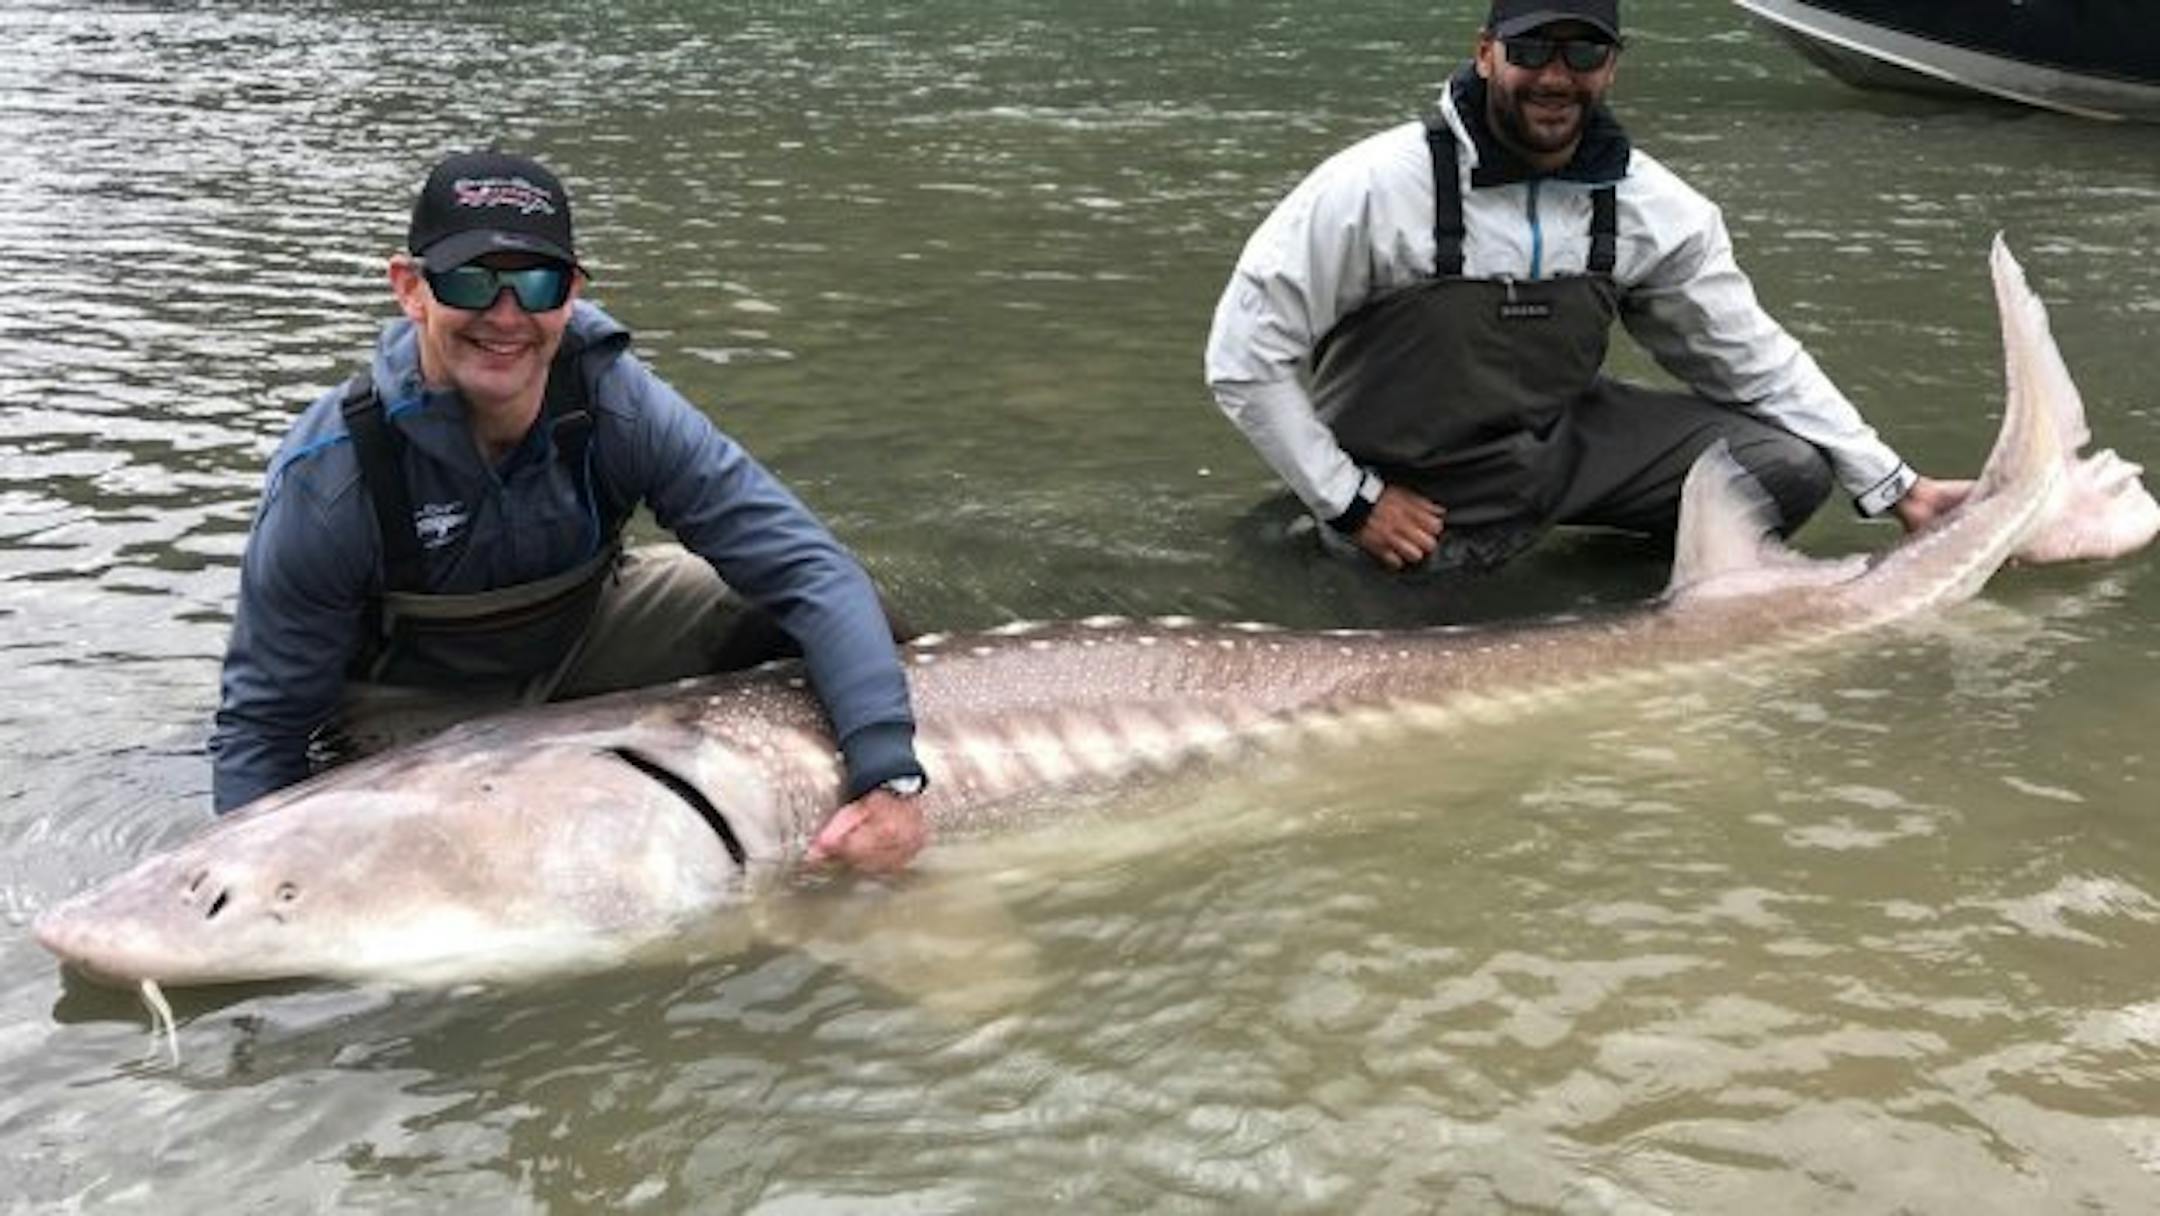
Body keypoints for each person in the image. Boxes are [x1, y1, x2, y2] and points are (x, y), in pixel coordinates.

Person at [209, 150, 926, 873]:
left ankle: (866, 810)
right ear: (410, 288)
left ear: (572, 292)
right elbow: (264, 725)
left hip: (581, 639)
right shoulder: (333, 472)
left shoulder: (615, 400)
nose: (506, 315)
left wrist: (889, 768)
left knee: (830, 605)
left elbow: (808, 567)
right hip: (414, 702)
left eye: (536, 282)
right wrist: (238, 873)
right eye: (471, 281)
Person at [1205, 0, 1969, 575]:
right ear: (1485, 55)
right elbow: (1243, 358)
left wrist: (1898, 486)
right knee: (1377, 636)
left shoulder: (1652, 205)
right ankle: (1352, 542)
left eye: (1583, 52)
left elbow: (1748, 354)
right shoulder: (1371, 188)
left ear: (1612, 66)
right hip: (1411, 495)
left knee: (1784, 469)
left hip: (1554, 455)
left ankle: (1619, 609)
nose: (1555, 76)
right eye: (1532, 48)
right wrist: (1353, 500)